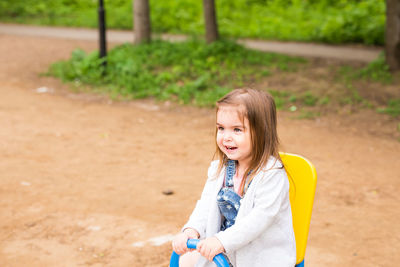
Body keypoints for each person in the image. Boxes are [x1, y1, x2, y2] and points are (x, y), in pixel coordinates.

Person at [172, 88, 296, 267]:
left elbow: (258, 220)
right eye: (221, 128)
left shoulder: (272, 175)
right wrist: (192, 230)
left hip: (260, 258)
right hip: (227, 252)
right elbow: (205, 206)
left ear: (261, 133)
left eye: (237, 130)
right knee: (185, 261)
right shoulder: (220, 169)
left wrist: (221, 241)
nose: (226, 137)